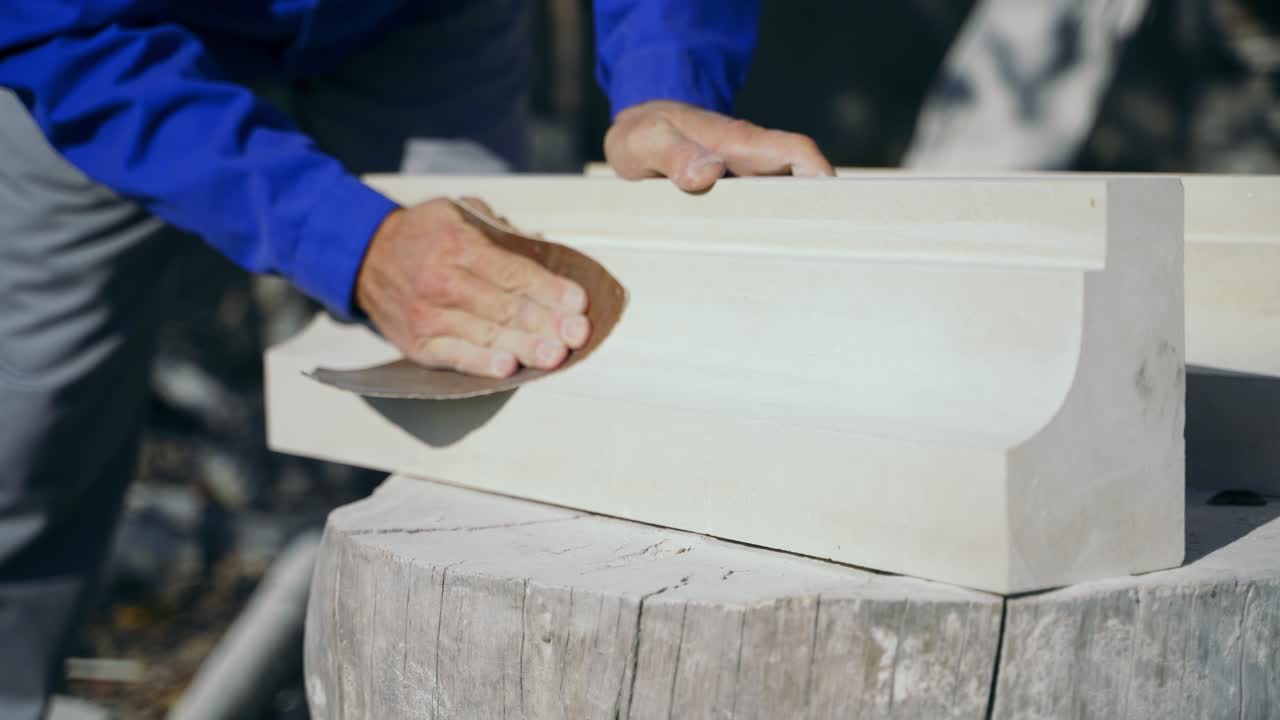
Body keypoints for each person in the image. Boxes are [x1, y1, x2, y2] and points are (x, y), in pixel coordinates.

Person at [0, 1, 832, 716]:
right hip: (108, 49)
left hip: (413, 26)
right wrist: (348, 244)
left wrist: (669, 79)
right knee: (29, 432)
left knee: (500, 429)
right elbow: (52, 23)